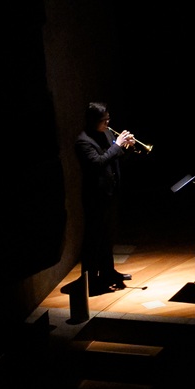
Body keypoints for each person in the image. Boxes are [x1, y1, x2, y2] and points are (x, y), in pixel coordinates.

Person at [74, 101, 137, 295]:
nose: (108, 123)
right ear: (93, 120)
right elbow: (97, 163)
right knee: (94, 239)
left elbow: (116, 157)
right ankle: (91, 280)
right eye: (104, 120)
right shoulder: (83, 141)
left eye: (108, 119)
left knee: (108, 236)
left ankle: (108, 272)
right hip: (95, 197)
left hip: (110, 193)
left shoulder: (107, 133)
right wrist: (117, 146)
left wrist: (127, 147)